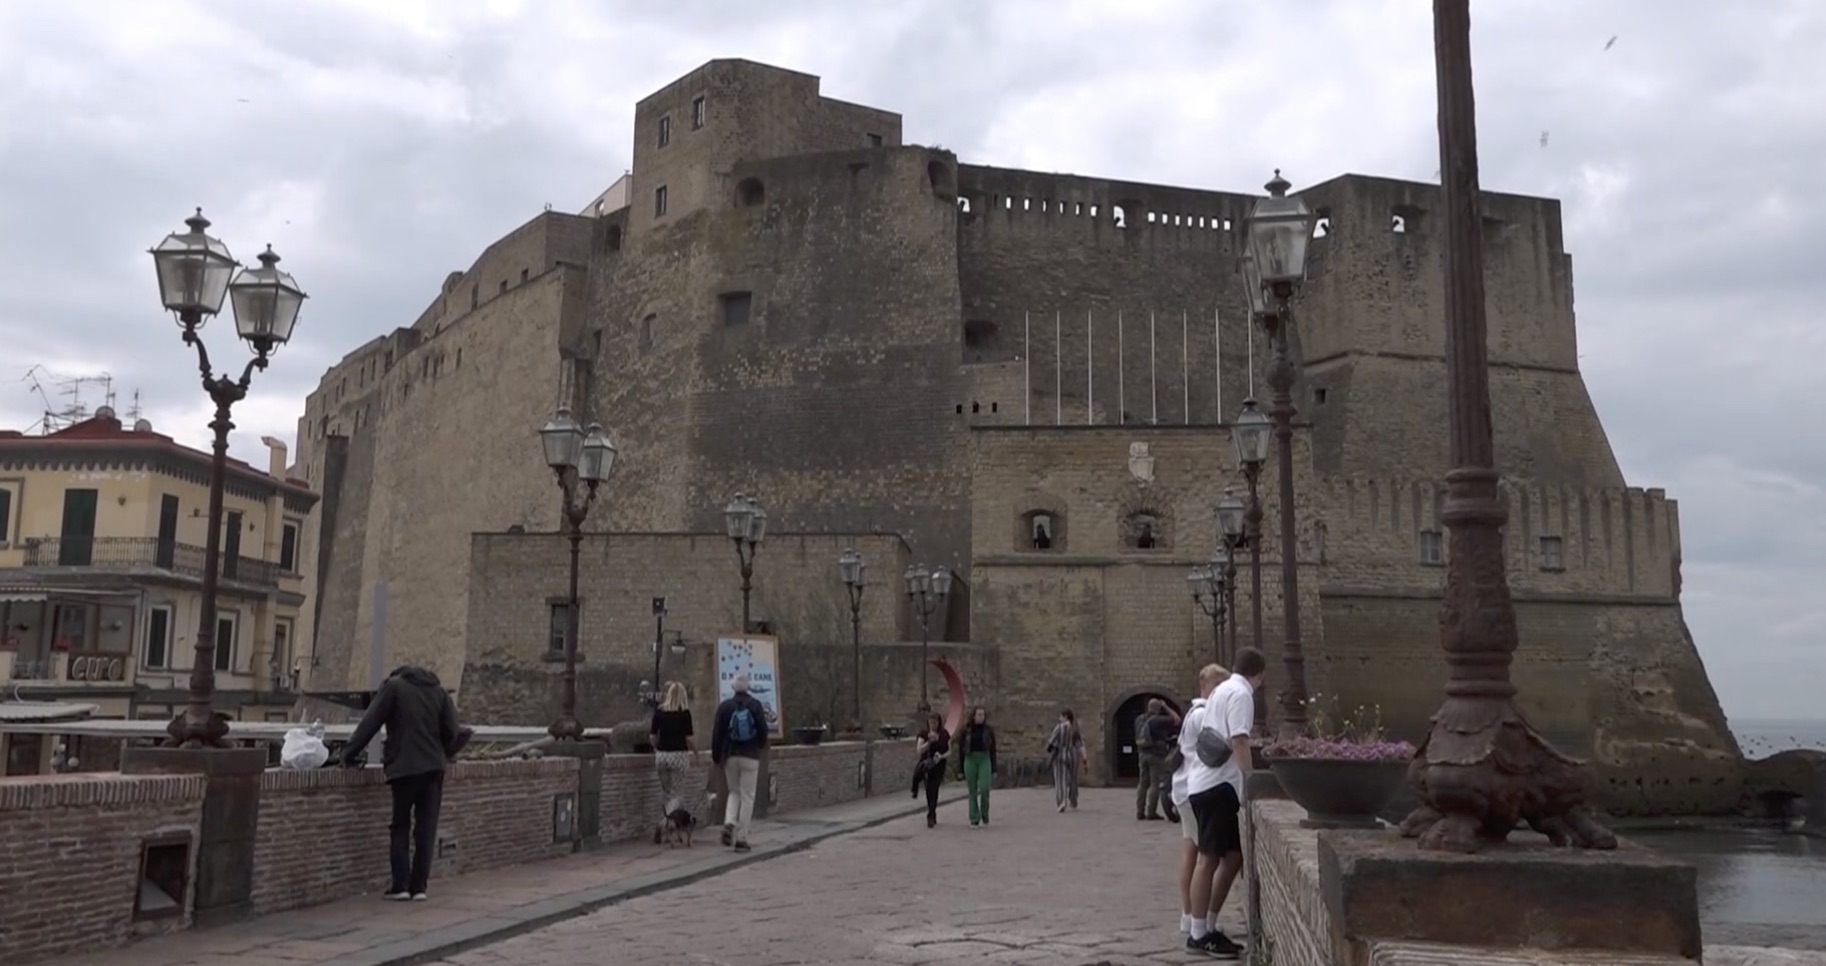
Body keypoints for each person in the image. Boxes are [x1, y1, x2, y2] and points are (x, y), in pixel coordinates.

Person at [337, 665, 465, 902]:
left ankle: (400, 885)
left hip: (404, 768)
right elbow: (452, 731)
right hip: (434, 768)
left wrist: (348, 753)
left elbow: (371, 722)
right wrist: (441, 752)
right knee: (426, 829)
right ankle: (420, 887)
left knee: (400, 826)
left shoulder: (394, 687)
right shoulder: (439, 692)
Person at [1185, 648, 1265, 958]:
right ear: (1260, 675)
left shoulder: (1221, 691)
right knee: (1207, 859)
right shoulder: (1242, 694)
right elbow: (1240, 740)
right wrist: (1251, 779)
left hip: (1207, 783)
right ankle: (1197, 933)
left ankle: (1208, 925)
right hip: (1218, 786)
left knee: (1233, 857)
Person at [1172, 664, 1227, 941]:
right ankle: (1196, 920)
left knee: (1191, 851)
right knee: (1206, 856)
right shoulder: (1204, 714)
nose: (1221, 691)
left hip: (1183, 789)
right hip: (1194, 789)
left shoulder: (1194, 712)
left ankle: (1188, 915)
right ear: (1204, 685)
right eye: (1217, 685)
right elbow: (1220, 747)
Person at [710, 675, 770, 853]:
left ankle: (729, 822)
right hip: (750, 756)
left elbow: (717, 734)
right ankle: (742, 838)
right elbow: (763, 732)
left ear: (733, 688)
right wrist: (758, 746)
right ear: (747, 688)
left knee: (734, 792)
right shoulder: (755, 705)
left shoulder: (725, 707)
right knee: (748, 796)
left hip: (730, 756)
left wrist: (717, 757)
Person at [648, 681, 700, 844]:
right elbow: (689, 739)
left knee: (666, 792)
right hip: (679, 756)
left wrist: (658, 748)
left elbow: (652, 737)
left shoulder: (659, 712)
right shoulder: (684, 714)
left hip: (662, 756)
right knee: (677, 793)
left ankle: (667, 824)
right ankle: (664, 824)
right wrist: (696, 753)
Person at [955, 706, 998, 828]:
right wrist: (960, 769)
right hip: (970, 759)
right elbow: (961, 750)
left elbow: (993, 750)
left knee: (984, 788)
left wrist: (994, 768)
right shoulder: (966, 730)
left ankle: (985, 812)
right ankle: (974, 817)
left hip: (984, 758)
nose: (981, 717)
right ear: (973, 716)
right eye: (979, 715)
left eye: (983, 715)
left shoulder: (989, 730)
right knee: (972, 790)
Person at [1134, 697, 1175, 821]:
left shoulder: (1139, 719)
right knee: (1154, 783)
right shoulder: (1158, 720)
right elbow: (1176, 719)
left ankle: (1139, 811)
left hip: (1142, 753)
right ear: (1158, 708)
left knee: (1142, 783)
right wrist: (1166, 707)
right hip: (1155, 755)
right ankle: (1151, 812)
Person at [1045, 708, 1087, 812]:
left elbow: (1052, 743)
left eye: (1061, 716)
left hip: (1060, 755)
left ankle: (1061, 802)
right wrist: (1084, 758)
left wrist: (1049, 750)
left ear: (1065, 717)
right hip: (1073, 756)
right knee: (1073, 779)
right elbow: (1081, 745)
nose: (1059, 718)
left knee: (1060, 780)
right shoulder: (1075, 729)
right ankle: (1073, 800)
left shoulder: (1059, 728)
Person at [913, 712, 950, 828]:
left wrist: (942, 756)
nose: (933, 725)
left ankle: (931, 814)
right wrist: (929, 742)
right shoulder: (924, 734)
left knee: (934, 788)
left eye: (935, 723)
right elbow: (919, 750)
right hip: (926, 763)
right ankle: (914, 790)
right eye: (930, 723)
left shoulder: (944, 734)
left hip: (939, 764)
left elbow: (949, 750)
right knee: (928, 787)